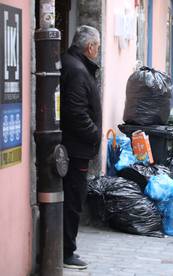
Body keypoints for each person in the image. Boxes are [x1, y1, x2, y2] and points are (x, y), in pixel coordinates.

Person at [60, 25, 102, 269]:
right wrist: (95, 135)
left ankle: (66, 248)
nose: (97, 50)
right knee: (74, 199)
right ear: (90, 47)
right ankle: (67, 252)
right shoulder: (77, 70)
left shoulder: (74, 64)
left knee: (73, 198)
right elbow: (75, 112)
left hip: (76, 147)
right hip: (76, 149)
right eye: (97, 46)